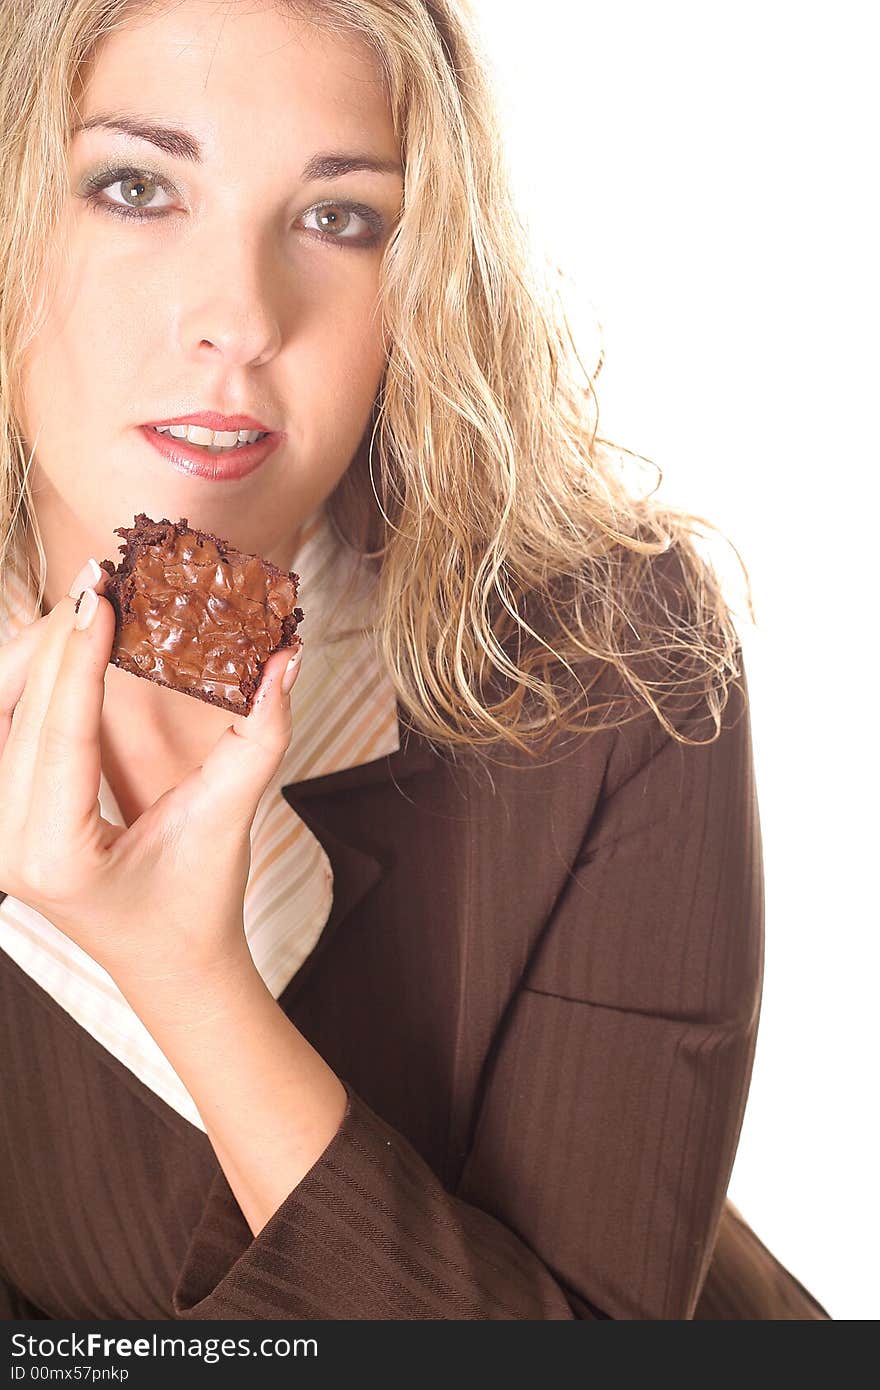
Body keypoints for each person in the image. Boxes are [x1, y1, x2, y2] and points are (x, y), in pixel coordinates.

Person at [0, 0, 830, 1321]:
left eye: (340, 217)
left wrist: (188, 974)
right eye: (135, 186)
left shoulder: (613, 657)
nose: (240, 318)